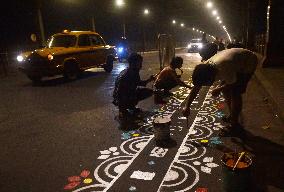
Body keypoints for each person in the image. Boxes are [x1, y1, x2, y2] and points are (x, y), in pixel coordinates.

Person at [183, 48, 258, 135]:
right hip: (234, 61)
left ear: (210, 77)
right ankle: (232, 115)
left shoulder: (225, 67)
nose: (206, 86)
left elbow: (233, 83)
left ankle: (235, 126)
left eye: (206, 84)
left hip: (247, 62)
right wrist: (187, 106)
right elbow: (196, 87)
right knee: (225, 90)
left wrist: (219, 89)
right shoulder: (206, 67)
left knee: (235, 92)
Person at [112, 53, 155, 118]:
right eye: (139, 63)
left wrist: (149, 79)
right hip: (122, 99)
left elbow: (138, 83)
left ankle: (128, 107)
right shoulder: (132, 73)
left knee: (138, 91)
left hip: (119, 98)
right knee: (146, 92)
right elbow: (140, 84)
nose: (141, 65)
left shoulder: (127, 70)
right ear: (133, 63)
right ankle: (125, 108)